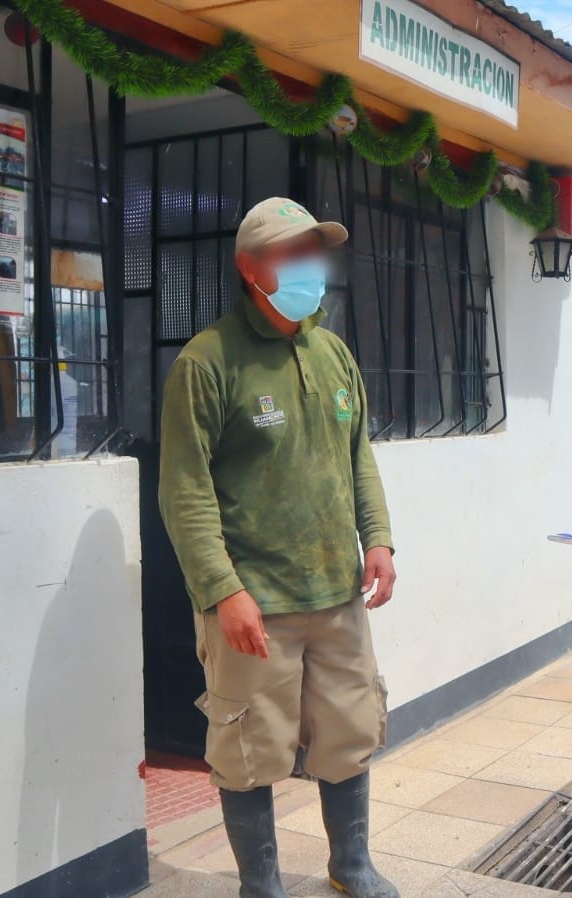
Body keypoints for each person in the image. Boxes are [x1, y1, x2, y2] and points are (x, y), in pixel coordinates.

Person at [159, 197, 398, 898]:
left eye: (313, 252)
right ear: (249, 267)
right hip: (253, 603)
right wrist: (222, 590)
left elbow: (358, 458)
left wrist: (377, 539)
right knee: (248, 750)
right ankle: (260, 885)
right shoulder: (207, 364)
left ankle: (349, 864)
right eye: (292, 254)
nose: (308, 266)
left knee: (348, 734)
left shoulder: (332, 354)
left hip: (337, 594)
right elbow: (185, 492)